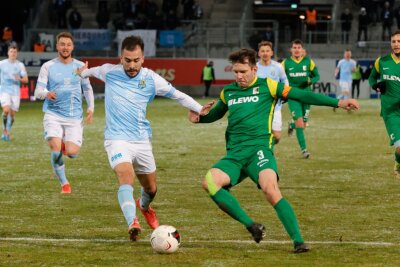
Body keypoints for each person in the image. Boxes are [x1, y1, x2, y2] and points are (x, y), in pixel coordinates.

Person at [188, 47, 359, 253]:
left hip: (259, 151)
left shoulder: (268, 86)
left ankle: (298, 242)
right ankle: (251, 225)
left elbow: (301, 94)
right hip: (234, 155)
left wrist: (339, 102)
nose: (239, 76)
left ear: (254, 69)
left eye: (243, 71)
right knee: (209, 182)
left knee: (270, 189)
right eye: (235, 72)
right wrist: (199, 118)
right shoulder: (228, 92)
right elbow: (215, 114)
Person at [75, 35, 213, 241]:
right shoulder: (108, 71)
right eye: (127, 60)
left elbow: (177, 95)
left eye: (136, 60)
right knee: (125, 177)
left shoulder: (151, 79)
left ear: (143, 58)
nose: (132, 65)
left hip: (141, 141)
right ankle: (133, 222)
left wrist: (199, 109)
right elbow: (88, 72)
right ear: (120, 58)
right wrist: (81, 72)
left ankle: (144, 206)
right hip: (116, 138)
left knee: (151, 188)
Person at [34, 32, 95, 194]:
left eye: (68, 44)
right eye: (62, 44)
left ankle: (63, 145)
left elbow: (87, 89)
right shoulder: (48, 66)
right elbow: (37, 91)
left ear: (72, 47)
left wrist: (91, 108)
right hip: (53, 114)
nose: (65, 47)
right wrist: (46, 93)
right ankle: (64, 183)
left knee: (72, 153)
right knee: (54, 149)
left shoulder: (80, 66)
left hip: (74, 117)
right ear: (57, 46)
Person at [368, 30, 400, 176]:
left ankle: (398, 161)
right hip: (390, 112)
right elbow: (371, 78)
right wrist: (376, 86)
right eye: (394, 41)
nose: (396, 44)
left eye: (399, 41)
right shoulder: (381, 61)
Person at [282, 39, 320, 158]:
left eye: (299, 48)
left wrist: (311, 80)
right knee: (300, 122)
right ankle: (304, 150)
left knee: (303, 124)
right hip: (293, 96)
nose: (297, 50)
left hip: (306, 96)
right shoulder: (285, 63)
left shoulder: (309, 62)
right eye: (294, 48)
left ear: (302, 50)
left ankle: (291, 126)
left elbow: (317, 76)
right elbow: (280, 78)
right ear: (291, 50)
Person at [256, 41, 288, 144]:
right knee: (263, 133)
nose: (265, 53)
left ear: (271, 53)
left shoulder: (278, 67)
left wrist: (285, 94)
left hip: (276, 106)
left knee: (277, 136)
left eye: (267, 51)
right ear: (259, 53)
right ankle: (267, 154)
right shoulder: (254, 68)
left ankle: (269, 147)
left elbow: (285, 81)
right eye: (262, 51)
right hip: (259, 106)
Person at [0, 45, 28, 141]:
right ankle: (5, 131)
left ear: (17, 54)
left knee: (12, 115)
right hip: (4, 90)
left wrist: (19, 78)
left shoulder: (20, 65)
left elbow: (26, 80)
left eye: (15, 52)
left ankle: (7, 130)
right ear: (8, 53)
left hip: (15, 92)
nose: (13, 53)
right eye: (11, 51)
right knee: (6, 110)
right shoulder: (2, 64)